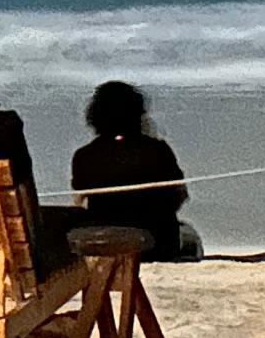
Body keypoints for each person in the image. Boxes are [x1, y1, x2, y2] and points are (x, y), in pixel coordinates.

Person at [70, 81, 201, 260]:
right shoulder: (157, 151)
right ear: (137, 114)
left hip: (104, 244)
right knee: (189, 235)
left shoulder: (84, 156)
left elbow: (80, 200)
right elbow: (179, 196)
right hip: (155, 244)